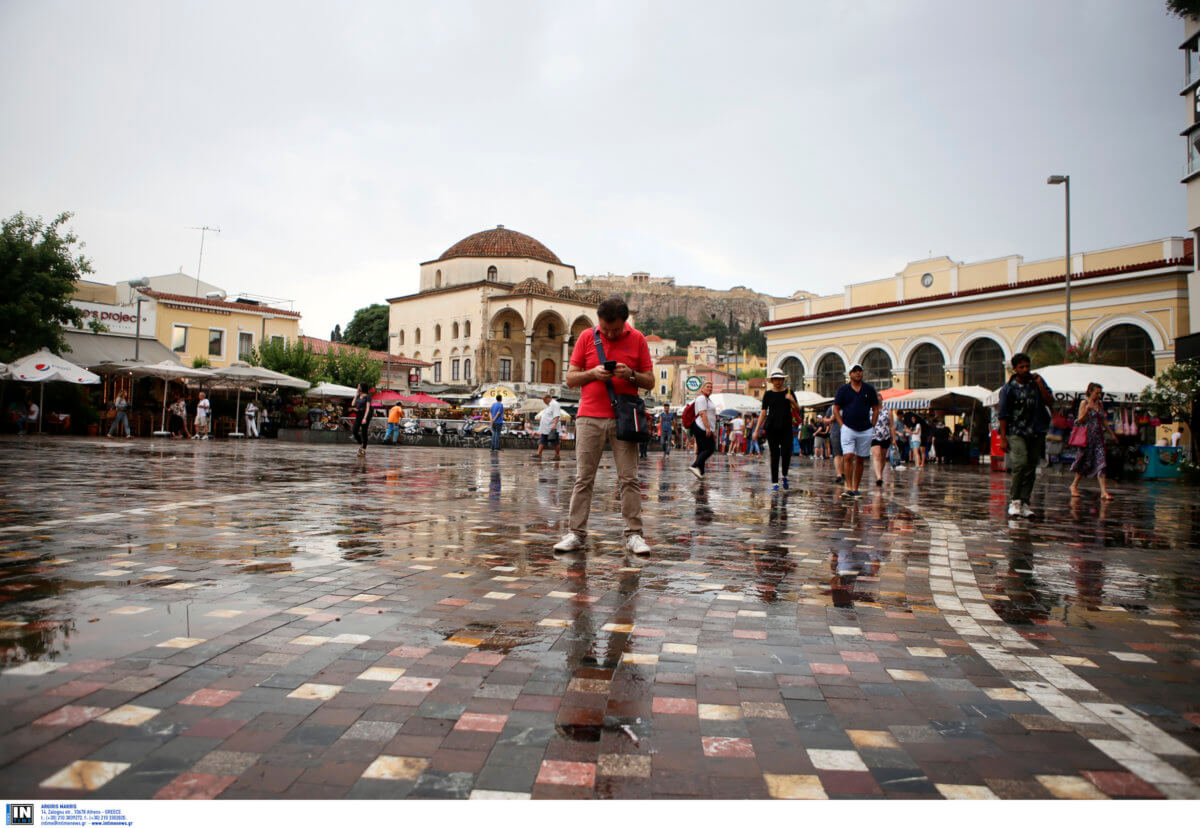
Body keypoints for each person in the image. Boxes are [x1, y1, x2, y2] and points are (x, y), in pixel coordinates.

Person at [553, 296, 653, 555]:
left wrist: (629, 373)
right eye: (605, 329)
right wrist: (593, 374)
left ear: (626, 322)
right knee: (583, 478)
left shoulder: (638, 339)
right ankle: (575, 533)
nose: (609, 334)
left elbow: (650, 381)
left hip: (624, 417)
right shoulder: (587, 336)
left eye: (615, 330)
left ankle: (634, 534)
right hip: (589, 416)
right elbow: (571, 378)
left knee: (629, 478)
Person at [997, 352, 1054, 518]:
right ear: (1015, 369)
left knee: (1031, 467)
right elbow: (1003, 414)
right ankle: (1014, 500)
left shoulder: (1036, 383)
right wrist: (1003, 437)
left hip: (1035, 430)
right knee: (1020, 463)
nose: (1025, 369)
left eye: (1027, 366)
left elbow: (1049, 401)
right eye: (1021, 367)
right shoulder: (1008, 389)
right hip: (1016, 431)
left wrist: (1040, 384)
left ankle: (1025, 502)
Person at [832, 363, 881, 498]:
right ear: (850, 374)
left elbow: (876, 408)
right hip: (848, 427)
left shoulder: (869, 389)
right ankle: (848, 487)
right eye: (855, 371)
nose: (858, 373)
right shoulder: (843, 390)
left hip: (865, 428)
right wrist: (842, 425)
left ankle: (855, 488)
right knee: (848, 456)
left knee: (860, 459)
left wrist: (873, 425)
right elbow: (836, 408)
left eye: (860, 371)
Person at [754, 369, 799, 491]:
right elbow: (763, 412)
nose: (778, 381)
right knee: (774, 455)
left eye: (780, 379)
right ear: (772, 381)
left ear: (783, 380)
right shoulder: (768, 394)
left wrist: (792, 400)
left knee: (786, 454)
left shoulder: (789, 392)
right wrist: (756, 429)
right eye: (775, 379)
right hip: (772, 428)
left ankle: (784, 475)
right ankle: (774, 482)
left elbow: (798, 409)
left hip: (786, 428)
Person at [1069, 382, 1115, 501]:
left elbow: (1103, 420)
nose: (1099, 395)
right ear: (1090, 391)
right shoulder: (1084, 403)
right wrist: (1087, 409)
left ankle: (1104, 492)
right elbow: (1079, 420)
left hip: (1098, 438)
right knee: (1084, 462)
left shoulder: (1099, 403)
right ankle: (1074, 485)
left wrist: (1111, 433)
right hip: (1086, 438)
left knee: (1102, 462)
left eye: (1100, 393)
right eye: (1097, 393)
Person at [689, 380, 716, 480]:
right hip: (702, 427)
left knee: (702, 450)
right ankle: (694, 466)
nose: (710, 388)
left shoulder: (707, 399)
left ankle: (701, 472)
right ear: (702, 388)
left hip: (703, 427)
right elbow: (702, 413)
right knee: (710, 448)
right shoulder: (701, 398)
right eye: (707, 386)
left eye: (711, 387)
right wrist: (708, 428)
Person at [870, 405, 894, 487]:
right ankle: (879, 477)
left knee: (883, 457)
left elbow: (892, 425)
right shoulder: (870, 409)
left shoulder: (888, 410)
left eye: (879, 396)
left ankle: (879, 473)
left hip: (885, 436)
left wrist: (893, 438)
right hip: (873, 436)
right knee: (877, 455)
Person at [535, 393, 562, 460]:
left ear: (548, 398)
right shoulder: (548, 405)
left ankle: (557, 455)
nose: (544, 401)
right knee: (542, 440)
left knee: (555, 442)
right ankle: (539, 453)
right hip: (545, 428)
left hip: (551, 427)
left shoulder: (555, 404)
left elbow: (557, 415)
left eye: (544, 400)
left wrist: (554, 425)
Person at [824, 404, 845, 483]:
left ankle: (843, 473)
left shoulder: (848, 405)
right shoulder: (832, 408)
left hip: (847, 433)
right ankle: (839, 474)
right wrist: (830, 420)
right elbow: (825, 420)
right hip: (835, 433)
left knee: (846, 455)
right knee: (837, 454)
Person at [351, 382, 373, 457]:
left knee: (364, 431)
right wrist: (356, 395)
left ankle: (364, 448)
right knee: (354, 430)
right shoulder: (358, 395)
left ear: (362, 387)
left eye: (359, 386)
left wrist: (365, 418)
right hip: (358, 413)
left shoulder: (367, 397)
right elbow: (353, 404)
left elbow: (368, 408)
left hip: (365, 414)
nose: (358, 388)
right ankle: (361, 444)